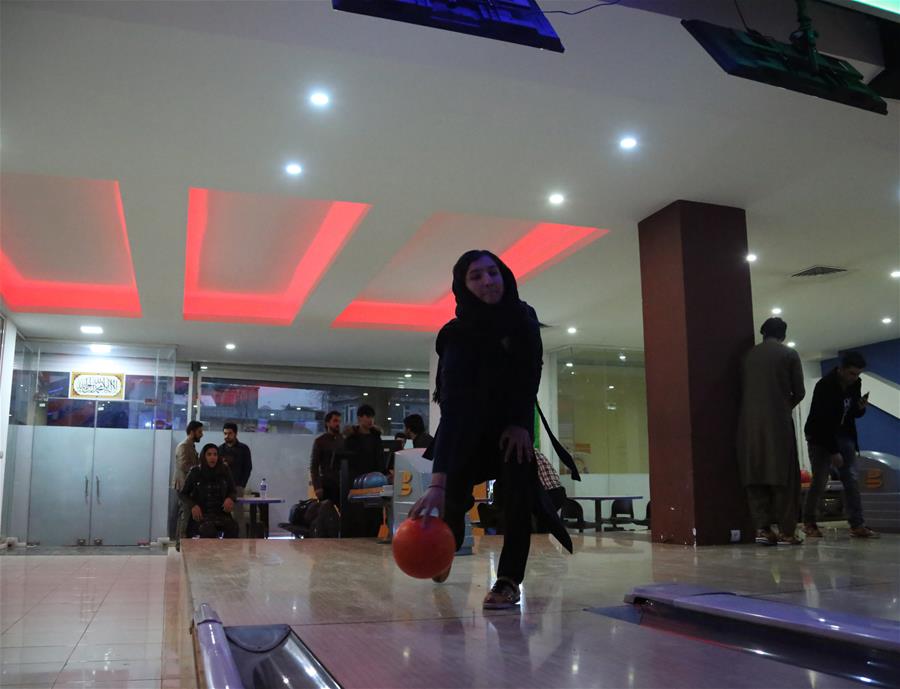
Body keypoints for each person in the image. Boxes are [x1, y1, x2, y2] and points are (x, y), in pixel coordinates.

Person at [409, 249, 579, 610]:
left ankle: (507, 580)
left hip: (509, 431)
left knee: (517, 499)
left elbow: (529, 374)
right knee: (452, 501)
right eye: (476, 276)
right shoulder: (455, 335)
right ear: (463, 286)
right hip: (465, 429)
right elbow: (451, 407)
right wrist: (437, 484)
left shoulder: (523, 319)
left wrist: (521, 425)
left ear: (505, 275)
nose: (487, 281)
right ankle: (445, 548)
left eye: (493, 272)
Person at [736, 318, 805, 546]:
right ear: (783, 335)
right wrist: (783, 406)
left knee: (754, 476)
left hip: (748, 425)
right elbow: (800, 392)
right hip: (778, 423)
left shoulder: (748, 356)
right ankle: (786, 532)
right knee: (783, 477)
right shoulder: (789, 354)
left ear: (762, 333)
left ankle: (762, 530)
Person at [803, 351, 879, 539]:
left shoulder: (855, 384)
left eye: (858, 375)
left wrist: (860, 409)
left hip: (844, 434)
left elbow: (851, 412)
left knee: (851, 479)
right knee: (820, 480)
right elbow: (823, 421)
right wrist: (834, 451)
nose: (855, 378)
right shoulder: (825, 386)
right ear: (841, 369)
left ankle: (857, 524)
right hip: (820, 436)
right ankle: (809, 522)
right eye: (852, 374)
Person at [180, 443, 239, 539]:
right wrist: (193, 505)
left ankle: (228, 553)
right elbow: (183, 494)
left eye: (215, 454)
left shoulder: (224, 470)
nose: (213, 457)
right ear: (204, 456)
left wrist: (230, 498)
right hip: (202, 514)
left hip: (221, 513)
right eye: (209, 454)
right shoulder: (195, 472)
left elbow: (233, 490)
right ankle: (209, 554)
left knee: (233, 527)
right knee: (208, 530)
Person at [170, 421, 204, 549]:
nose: (202, 434)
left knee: (185, 514)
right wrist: (199, 469)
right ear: (192, 431)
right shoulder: (184, 446)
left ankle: (182, 542)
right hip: (184, 486)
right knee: (185, 515)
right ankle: (181, 543)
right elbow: (184, 465)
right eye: (199, 431)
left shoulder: (190, 446)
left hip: (187, 486)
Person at [219, 422, 252, 536]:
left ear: (236, 434)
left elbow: (248, 468)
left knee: (238, 516)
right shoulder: (220, 450)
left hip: (237, 486)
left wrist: (242, 485)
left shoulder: (243, 449)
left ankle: (240, 541)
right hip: (222, 487)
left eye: (229, 433)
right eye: (225, 433)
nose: (227, 436)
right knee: (221, 514)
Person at [310, 411, 344, 504]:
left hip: (342, 484)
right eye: (335, 421)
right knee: (327, 513)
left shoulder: (343, 440)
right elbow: (314, 466)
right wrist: (317, 487)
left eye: (339, 421)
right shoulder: (320, 441)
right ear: (327, 423)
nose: (338, 424)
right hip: (326, 485)